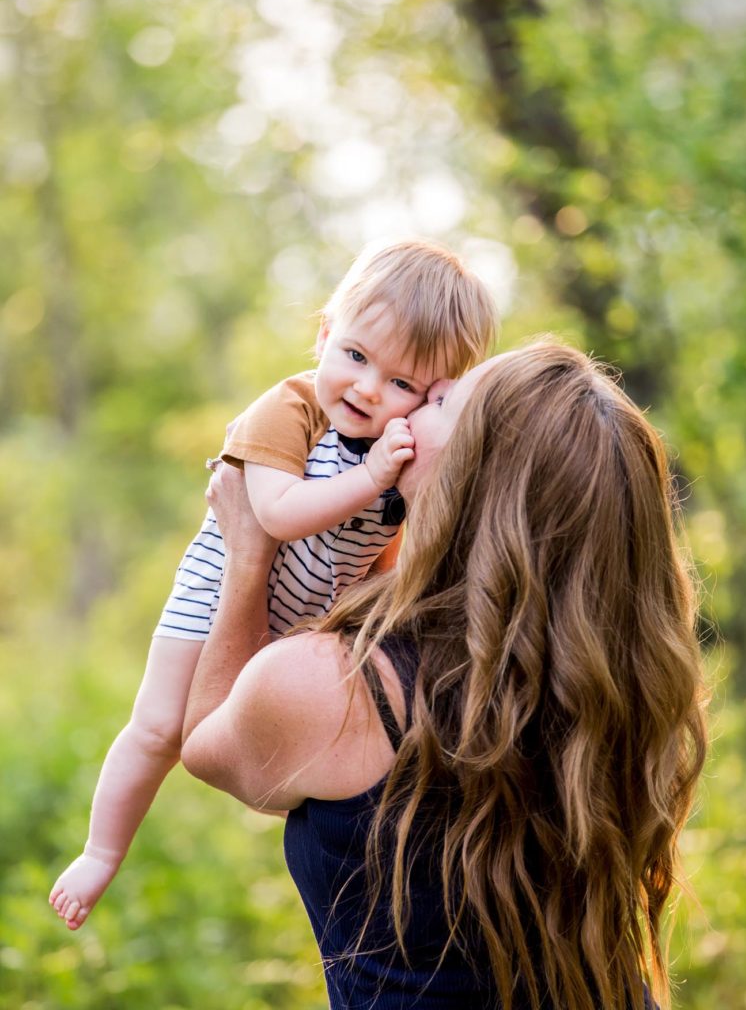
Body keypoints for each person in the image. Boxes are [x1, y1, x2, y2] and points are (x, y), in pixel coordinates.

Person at [180, 340, 708, 1010]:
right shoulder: (610, 682)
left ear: (470, 473)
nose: (411, 398)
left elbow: (204, 741)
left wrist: (248, 556)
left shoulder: (335, 686)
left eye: (438, 401)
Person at [49, 239, 498, 931]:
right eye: (354, 356)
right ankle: (101, 852)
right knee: (161, 728)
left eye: (403, 384)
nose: (368, 389)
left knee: (269, 730)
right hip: (216, 591)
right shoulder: (290, 411)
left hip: (303, 616)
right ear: (324, 334)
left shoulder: (399, 450)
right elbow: (276, 516)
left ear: (435, 393)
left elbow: (381, 551)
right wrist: (374, 476)